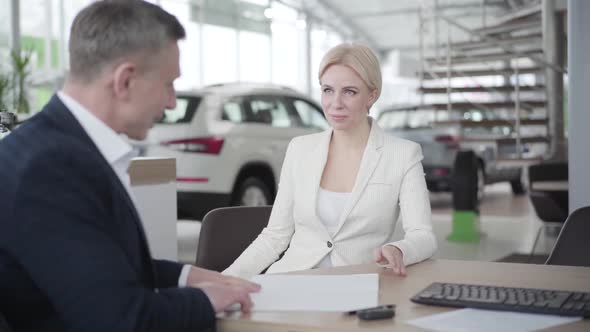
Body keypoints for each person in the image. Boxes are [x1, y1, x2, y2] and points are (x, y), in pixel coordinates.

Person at [0, 1, 259, 331]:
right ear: (125, 80)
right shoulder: (51, 168)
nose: (171, 102)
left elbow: (95, 268)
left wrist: (186, 275)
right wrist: (207, 300)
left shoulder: (55, 148)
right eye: (168, 84)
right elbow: (123, 321)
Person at [224, 43, 437, 279]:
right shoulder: (300, 150)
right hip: (293, 281)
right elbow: (275, 237)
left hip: (357, 285)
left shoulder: (403, 155)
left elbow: (423, 236)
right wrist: (223, 280)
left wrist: (399, 249)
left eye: (349, 91)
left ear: (372, 95)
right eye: (327, 90)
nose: (336, 103)